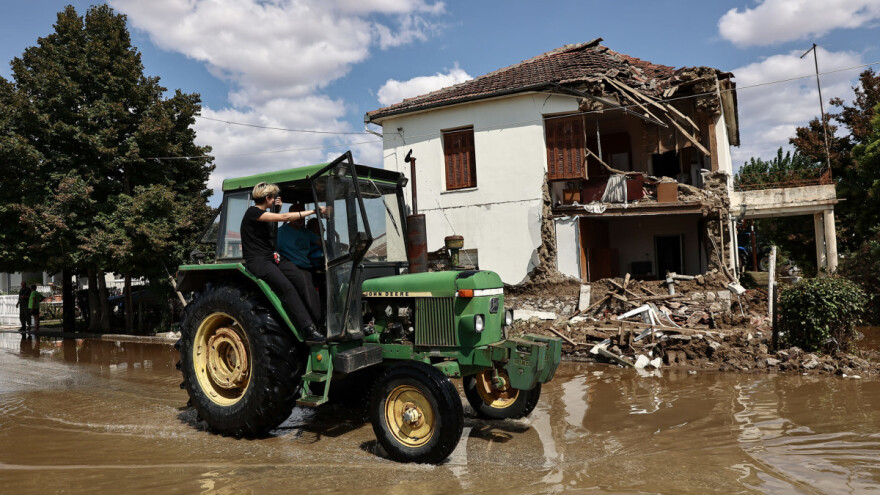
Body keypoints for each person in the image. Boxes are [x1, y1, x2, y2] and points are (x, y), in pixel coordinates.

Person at [241, 182, 326, 342]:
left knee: (302, 279)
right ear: (267, 198)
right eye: (273, 197)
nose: (275, 199)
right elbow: (285, 218)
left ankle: (320, 321)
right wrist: (314, 211)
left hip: (271, 257)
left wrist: (276, 209)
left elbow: (271, 230)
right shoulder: (252, 212)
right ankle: (308, 329)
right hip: (258, 261)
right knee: (287, 288)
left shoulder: (264, 214)